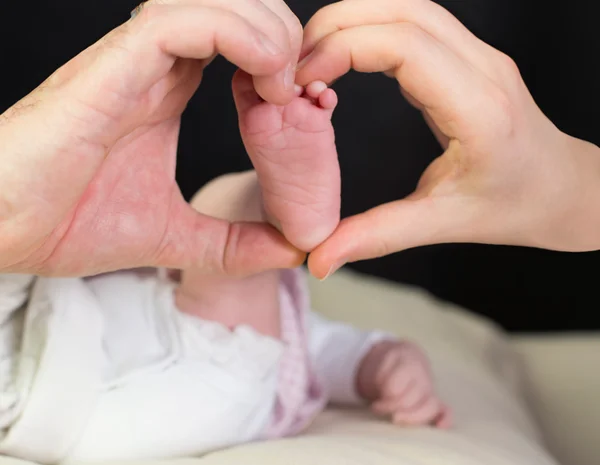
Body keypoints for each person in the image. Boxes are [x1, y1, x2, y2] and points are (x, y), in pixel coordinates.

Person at [0, 78, 449, 463]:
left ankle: (266, 203)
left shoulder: (293, 340)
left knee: (219, 265)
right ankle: (269, 203)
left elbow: (338, 353)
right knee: (224, 259)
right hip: (95, 380)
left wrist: (386, 362)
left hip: (90, 370)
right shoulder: (258, 339)